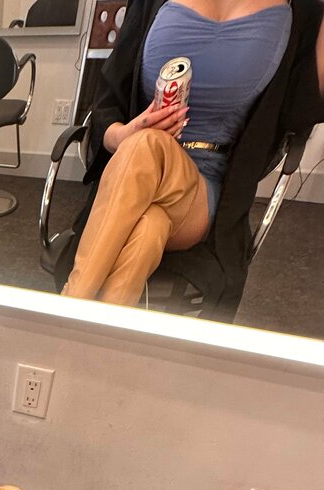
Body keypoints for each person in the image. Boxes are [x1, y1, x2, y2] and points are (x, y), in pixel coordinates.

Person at [61, 0, 324, 312]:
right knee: (149, 229)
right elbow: (107, 101)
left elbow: (303, 109)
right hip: (129, 173)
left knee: (148, 145)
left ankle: (67, 310)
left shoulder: (300, 12)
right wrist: (124, 135)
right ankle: (95, 338)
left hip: (201, 194)